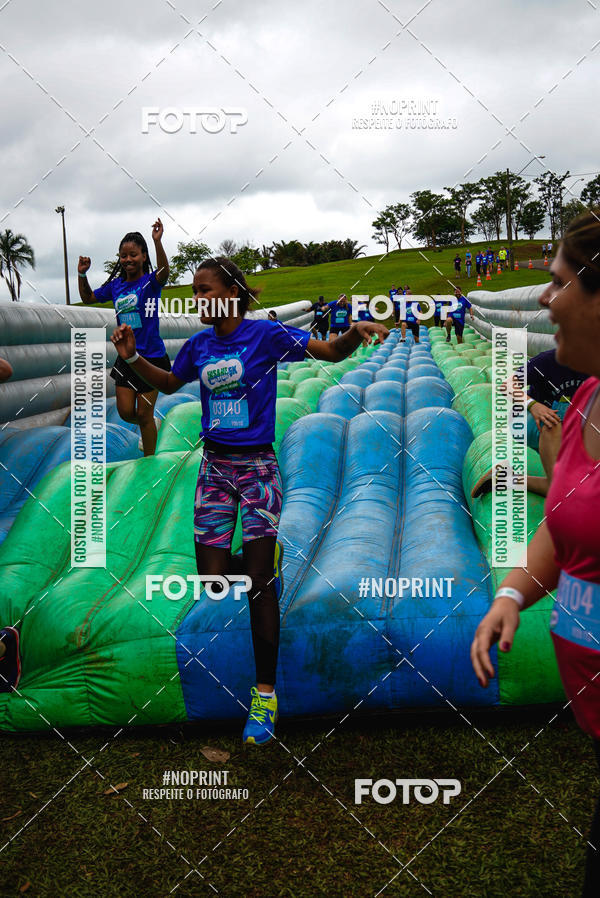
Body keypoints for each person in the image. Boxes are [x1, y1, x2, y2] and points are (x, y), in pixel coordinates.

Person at [108, 257, 389, 746]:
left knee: (259, 586)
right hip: (214, 469)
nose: (197, 299)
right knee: (213, 580)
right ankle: (263, 561)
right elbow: (170, 383)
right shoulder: (198, 345)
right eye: (193, 292)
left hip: (257, 468)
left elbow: (328, 351)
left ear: (232, 293)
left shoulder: (265, 335)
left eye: (204, 290)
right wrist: (132, 359)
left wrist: (354, 332)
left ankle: (264, 696)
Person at [470, 210, 600, 897]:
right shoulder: (587, 399)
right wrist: (512, 594)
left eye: (558, 283)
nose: (545, 301)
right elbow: (565, 523)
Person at [78, 220, 170, 456]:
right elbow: (88, 298)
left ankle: (150, 462)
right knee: (126, 412)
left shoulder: (150, 283)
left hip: (151, 357)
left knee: (144, 413)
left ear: (143, 256)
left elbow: (164, 272)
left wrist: (157, 242)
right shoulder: (115, 286)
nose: (128, 259)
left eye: (133, 255)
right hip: (127, 357)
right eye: (123, 256)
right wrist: (82, 273)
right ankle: (150, 423)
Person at [471, 348, 587, 498]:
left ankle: (506, 478)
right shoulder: (548, 359)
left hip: (566, 428)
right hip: (526, 420)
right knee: (551, 420)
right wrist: (533, 405)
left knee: (570, 488)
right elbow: (507, 386)